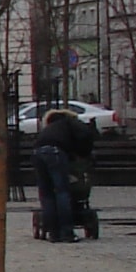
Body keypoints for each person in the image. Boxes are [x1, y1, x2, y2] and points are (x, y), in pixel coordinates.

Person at [36, 103, 93, 242]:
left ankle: (53, 233)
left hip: (38, 153)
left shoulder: (50, 127)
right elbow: (86, 135)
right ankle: (67, 232)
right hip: (55, 153)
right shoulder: (70, 122)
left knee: (47, 194)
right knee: (62, 191)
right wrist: (84, 153)